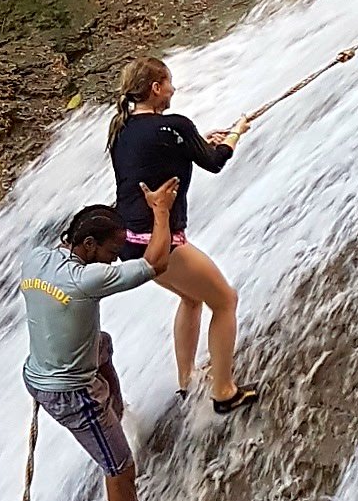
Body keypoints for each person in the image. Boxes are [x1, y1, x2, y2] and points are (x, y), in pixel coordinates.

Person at [19, 176, 186, 501]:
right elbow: (157, 261)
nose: (114, 259)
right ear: (89, 246)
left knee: (102, 342)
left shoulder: (37, 258)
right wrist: (161, 212)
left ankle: (118, 411)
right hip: (71, 392)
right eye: (111, 251)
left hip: (39, 370)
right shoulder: (87, 280)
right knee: (120, 469)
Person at [107, 55, 259, 415]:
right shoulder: (174, 124)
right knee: (224, 301)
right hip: (159, 242)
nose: (174, 89)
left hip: (128, 240)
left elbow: (158, 157)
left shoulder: (122, 129)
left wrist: (197, 143)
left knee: (192, 299)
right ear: (156, 89)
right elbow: (216, 162)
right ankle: (223, 391)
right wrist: (237, 132)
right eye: (169, 83)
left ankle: (187, 379)